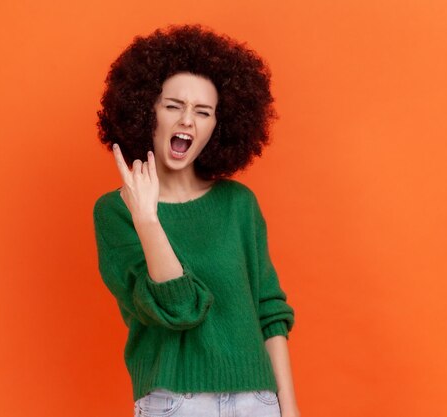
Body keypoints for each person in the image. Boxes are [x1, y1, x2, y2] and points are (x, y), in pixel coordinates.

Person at [93, 23, 300, 417]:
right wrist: (148, 219)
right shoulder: (117, 212)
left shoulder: (238, 204)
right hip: (173, 401)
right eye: (173, 106)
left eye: (202, 112)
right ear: (145, 110)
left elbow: (270, 314)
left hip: (257, 401)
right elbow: (180, 309)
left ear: (216, 127)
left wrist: (288, 411)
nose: (187, 120)